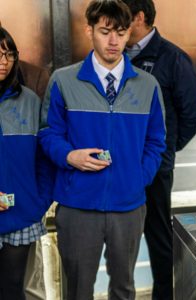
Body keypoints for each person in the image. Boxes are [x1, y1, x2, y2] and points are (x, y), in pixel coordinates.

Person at [38, 1, 166, 299]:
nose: (113, 41)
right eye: (105, 31)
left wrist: (138, 177)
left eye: (120, 33)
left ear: (128, 33)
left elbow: (156, 141)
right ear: (89, 30)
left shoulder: (147, 85)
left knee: (124, 289)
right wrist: (69, 156)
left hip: (129, 206)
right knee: (78, 290)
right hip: (78, 205)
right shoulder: (64, 80)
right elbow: (47, 133)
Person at [121, 1, 196, 299]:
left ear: (139, 17)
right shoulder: (116, 55)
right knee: (119, 236)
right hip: (116, 166)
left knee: (157, 235)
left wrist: (165, 150)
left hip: (154, 167)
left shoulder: (172, 58)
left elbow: (193, 112)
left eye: (122, 17)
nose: (116, 26)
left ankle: (163, 295)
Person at [0, 18, 52, 300]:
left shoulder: (30, 101)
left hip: (21, 216)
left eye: (9, 54)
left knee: (13, 290)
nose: (4, 61)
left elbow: (45, 159)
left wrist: (37, 203)